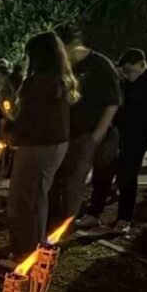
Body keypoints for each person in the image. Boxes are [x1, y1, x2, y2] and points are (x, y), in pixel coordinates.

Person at [6, 31, 79, 262]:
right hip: (53, 144)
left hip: (37, 146)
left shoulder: (40, 82)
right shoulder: (61, 80)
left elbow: (29, 117)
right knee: (37, 197)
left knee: (25, 200)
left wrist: (13, 130)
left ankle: (26, 254)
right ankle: (29, 247)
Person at [80, 48, 147, 233]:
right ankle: (94, 213)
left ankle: (124, 218)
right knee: (102, 174)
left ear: (142, 65)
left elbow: (143, 109)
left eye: (131, 71)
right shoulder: (121, 82)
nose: (128, 76)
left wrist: (120, 110)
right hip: (113, 135)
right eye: (125, 72)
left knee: (127, 178)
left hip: (135, 137)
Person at [47, 24, 121, 229]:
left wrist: (97, 134)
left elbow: (113, 102)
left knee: (74, 182)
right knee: (53, 180)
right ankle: (50, 221)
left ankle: (65, 226)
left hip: (86, 134)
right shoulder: (61, 65)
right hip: (61, 133)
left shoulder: (100, 65)